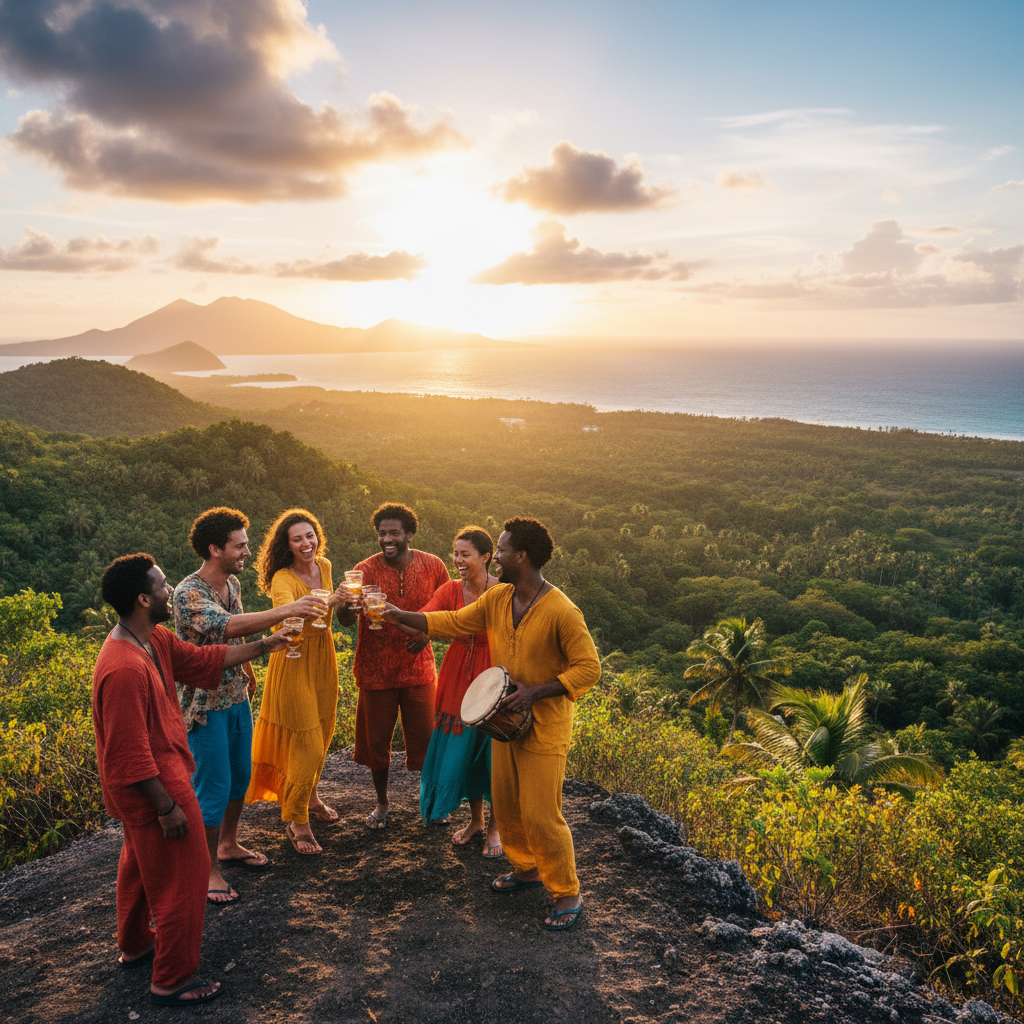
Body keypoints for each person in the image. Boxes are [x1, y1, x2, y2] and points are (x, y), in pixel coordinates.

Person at [383, 516, 600, 931]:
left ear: (521, 555)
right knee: (508, 802)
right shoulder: (499, 599)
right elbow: (455, 621)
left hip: (544, 726)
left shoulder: (561, 610)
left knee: (541, 813)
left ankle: (567, 891)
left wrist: (536, 691)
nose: (495, 556)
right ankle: (525, 869)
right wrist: (402, 616)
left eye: (500, 550)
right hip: (505, 722)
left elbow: (589, 669)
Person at [93, 553, 291, 1006]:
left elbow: (204, 660)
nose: (170, 591)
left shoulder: (153, 639)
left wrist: (267, 645)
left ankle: (136, 944)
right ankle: (173, 977)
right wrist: (167, 808)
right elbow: (128, 752)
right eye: (162, 586)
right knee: (185, 878)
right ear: (144, 598)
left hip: (155, 779)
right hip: (155, 786)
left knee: (140, 869)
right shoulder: (124, 667)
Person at [173, 507, 328, 901]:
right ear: (215, 549)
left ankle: (228, 844)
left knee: (240, 777)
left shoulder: (232, 585)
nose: (247, 551)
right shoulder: (188, 592)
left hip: (236, 696)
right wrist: (287, 612)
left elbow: (236, 637)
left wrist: (254, 667)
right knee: (213, 787)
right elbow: (225, 627)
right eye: (239, 545)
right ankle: (207, 871)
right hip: (204, 707)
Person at [336, 502, 450, 829]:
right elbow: (344, 621)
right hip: (375, 670)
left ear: (409, 534)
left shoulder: (433, 567)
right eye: (382, 533)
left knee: (428, 742)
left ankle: (433, 803)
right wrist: (347, 604)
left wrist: (426, 635)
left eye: (394, 533)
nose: (387, 538)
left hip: (419, 669)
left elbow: (445, 613)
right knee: (376, 744)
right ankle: (382, 803)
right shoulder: (365, 569)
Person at [246, 508, 349, 855]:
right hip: (293, 660)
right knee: (308, 742)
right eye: (297, 539)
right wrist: (333, 600)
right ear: (286, 545)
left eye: (310, 535)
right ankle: (297, 821)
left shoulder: (326, 566)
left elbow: (329, 616)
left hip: (323, 657)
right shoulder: (283, 579)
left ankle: (311, 796)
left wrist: (348, 601)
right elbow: (284, 621)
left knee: (322, 730)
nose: (306, 544)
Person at [411, 526, 503, 855]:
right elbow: (426, 616)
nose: (457, 560)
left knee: (493, 754)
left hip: (494, 678)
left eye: (465, 554)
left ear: (485, 557)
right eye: (455, 553)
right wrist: (397, 617)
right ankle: (476, 820)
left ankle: (495, 828)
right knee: (464, 751)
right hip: (457, 677)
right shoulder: (451, 590)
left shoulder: (503, 590)